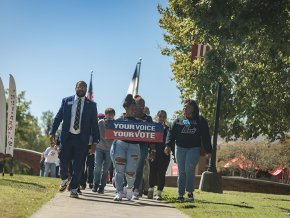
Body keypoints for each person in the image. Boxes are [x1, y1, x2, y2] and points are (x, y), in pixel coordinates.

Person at [50, 81, 100, 198]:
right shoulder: (66, 101)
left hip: (82, 140)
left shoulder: (91, 105)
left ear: (86, 89)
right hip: (67, 138)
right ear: (75, 88)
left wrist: (94, 142)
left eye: (84, 87)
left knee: (78, 166)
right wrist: (52, 132)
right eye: (80, 86)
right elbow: (58, 118)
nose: (82, 88)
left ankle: (73, 189)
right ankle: (64, 178)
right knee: (63, 161)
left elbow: (94, 125)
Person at [165, 99, 212, 202]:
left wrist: (209, 151)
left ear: (193, 109)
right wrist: (168, 145)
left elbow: (206, 136)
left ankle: (190, 193)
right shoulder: (179, 120)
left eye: (188, 107)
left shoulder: (200, 120)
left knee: (189, 168)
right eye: (184, 106)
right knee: (181, 171)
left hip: (193, 148)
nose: (185, 108)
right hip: (180, 148)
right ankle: (180, 194)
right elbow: (171, 133)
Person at [110, 94, 140, 201]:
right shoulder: (118, 120)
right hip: (120, 145)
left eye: (135, 109)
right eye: (131, 109)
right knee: (119, 170)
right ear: (126, 108)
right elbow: (110, 132)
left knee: (131, 171)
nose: (133, 111)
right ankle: (119, 192)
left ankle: (129, 189)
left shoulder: (139, 123)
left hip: (134, 147)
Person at [132, 95, 155, 200]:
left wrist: (153, 149)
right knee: (129, 166)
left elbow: (152, 134)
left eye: (143, 104)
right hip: (129, 144)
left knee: (139, 167)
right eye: (139, 103)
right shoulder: (129, 115)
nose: (141, 105)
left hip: (143, 145)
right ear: (134, 104)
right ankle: (126, 186)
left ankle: (136, 188)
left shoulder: (148, 118)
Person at [148, 110, 170, 200]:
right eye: (160, 116)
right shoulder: (152, 127)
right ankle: (150, 190)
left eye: (164, 116)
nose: (162, 118)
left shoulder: (168, 128)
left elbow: (170, 140)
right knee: (152, 172)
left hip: (164, 154)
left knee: (161, 173)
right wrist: (152, 151)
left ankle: (159, 193)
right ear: (157, 116)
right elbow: (149, 139)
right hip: (154, 153)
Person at [92, 107, 115, 193]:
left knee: (105, 169)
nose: (110, 116)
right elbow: (94, 133)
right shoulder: (100, 123)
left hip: (109, 149)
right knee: (97, 166)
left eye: (112, 115)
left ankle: (102, 186)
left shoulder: (115, 124)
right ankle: (95, 184)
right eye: (108, 114)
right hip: (99, 147)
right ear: (105, 115)